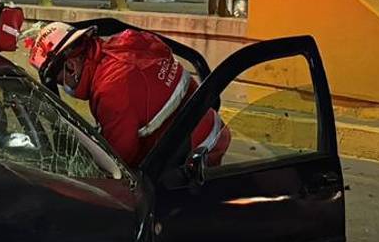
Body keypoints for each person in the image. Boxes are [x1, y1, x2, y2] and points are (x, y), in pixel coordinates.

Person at [26, 22, 229, 169]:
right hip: (212, 131)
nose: (64, 87)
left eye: (60, 81)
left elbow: (120, 162)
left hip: (196, 157)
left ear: (71, 67)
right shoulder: (126, 43)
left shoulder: (111, 89)